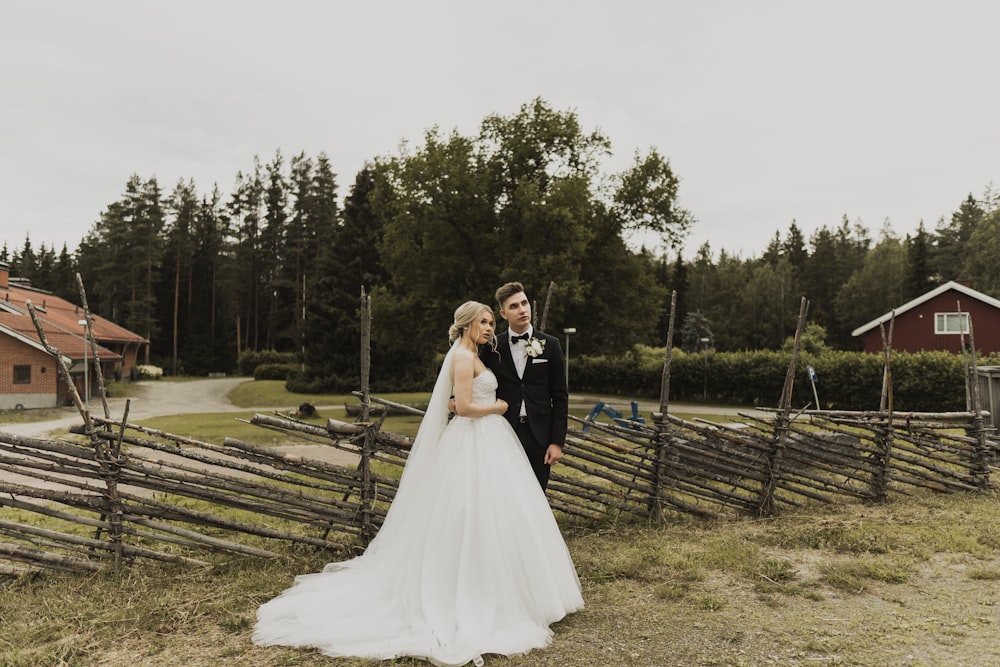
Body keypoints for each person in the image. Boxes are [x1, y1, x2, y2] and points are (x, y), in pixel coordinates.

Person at [253, 301, 583, 667]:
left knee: (500, 514)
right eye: (483, 323)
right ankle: (473, 593)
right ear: (466, 325)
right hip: (475, 438)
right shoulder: (461, 356)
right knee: (469, 512)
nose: (489, 329)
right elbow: (464, 406)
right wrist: (498, 408)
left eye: (491, 322)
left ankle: (513, 592)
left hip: (492, 441)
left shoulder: (476, 352)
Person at [480, 282, 568, 490]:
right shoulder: (492, 347)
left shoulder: (552, 345)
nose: (522, 310)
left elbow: (560, 396)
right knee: (504, 490)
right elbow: (475, 377)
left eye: (524, 303)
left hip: (539, 434)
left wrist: (557, 442)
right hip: (503, 431)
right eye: (514, 306)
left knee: (537, 491)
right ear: (503, 313)